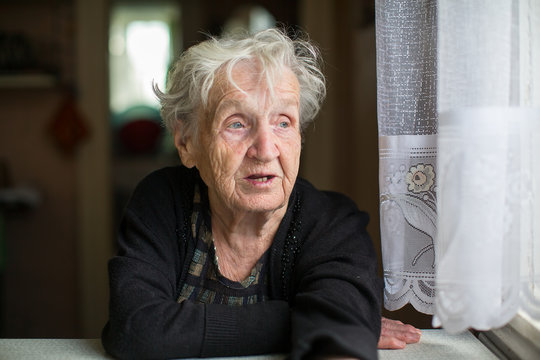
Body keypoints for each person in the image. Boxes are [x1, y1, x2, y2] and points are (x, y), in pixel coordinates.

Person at [102, 28, 420, 360]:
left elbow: (338, 342)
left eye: (283, 122)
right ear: (187, 143)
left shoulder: (332, 225)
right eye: (237, 124)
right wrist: (304, 319)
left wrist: (337, 326)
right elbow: (138, 330)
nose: (266, 150)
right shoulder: (163, 202)